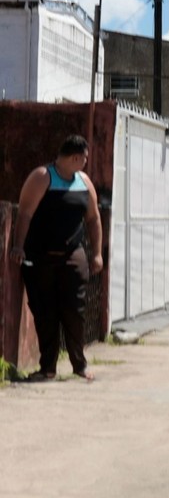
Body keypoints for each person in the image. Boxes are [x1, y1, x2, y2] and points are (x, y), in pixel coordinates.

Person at [9, 134, 103, 382]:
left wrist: (97, 253)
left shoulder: (84, 182)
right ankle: (47, 368)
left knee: (75, 311)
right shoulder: (42, 177)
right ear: (75, 157)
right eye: (84, 158)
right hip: (40, 259)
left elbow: (93, 219)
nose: (85, 162)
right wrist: (18, 247)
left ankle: (79, 365)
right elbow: (25, 214)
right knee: (45, 313)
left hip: (73, 257)